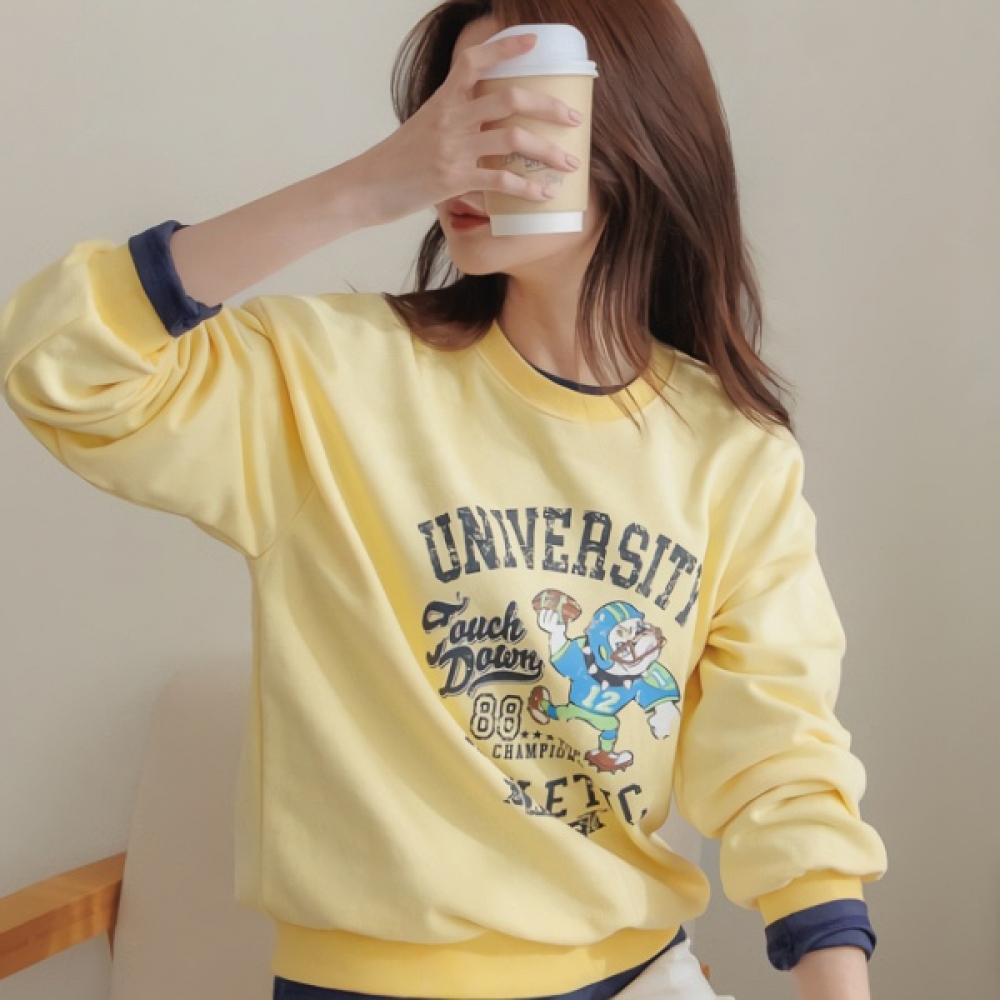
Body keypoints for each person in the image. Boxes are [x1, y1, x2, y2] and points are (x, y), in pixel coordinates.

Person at [0, 1, 887, 998]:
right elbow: (58, 364)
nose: (457, 152)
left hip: (635, 973)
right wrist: (362, 188)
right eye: (445, 115)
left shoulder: (731, 451)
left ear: (631, 136)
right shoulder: (326, 380)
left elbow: (779, 755)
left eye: (499, 111)